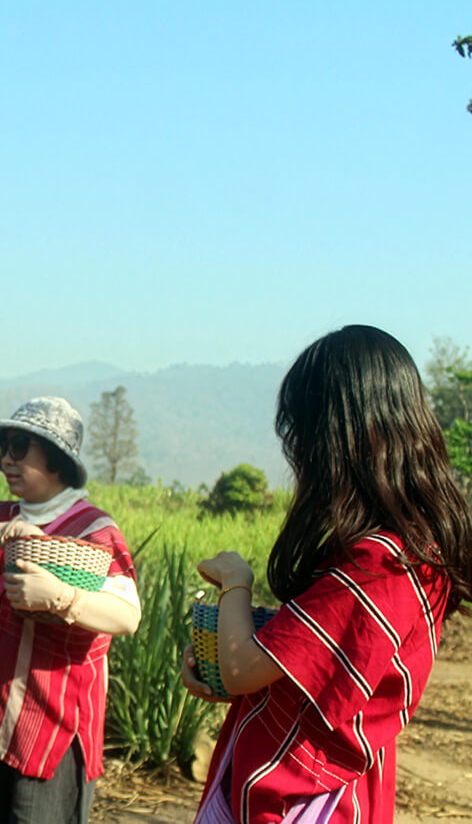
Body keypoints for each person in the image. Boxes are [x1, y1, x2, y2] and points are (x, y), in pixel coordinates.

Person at [182, 325, 472, 823]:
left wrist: (235, 582)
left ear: (336, 439)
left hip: (303, 797)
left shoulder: (376, 567)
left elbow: (242, 667)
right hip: (345, 785)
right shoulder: (419, 553)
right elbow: (321, 662)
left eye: (305, 431)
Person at [0, 396, 141, 824]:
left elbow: (126, 615)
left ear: (56, 458)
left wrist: (61, 597)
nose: (7, 459)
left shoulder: (94, 530)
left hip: (50, 732)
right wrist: (6, 532)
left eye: (20, 447)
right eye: (4, 447)